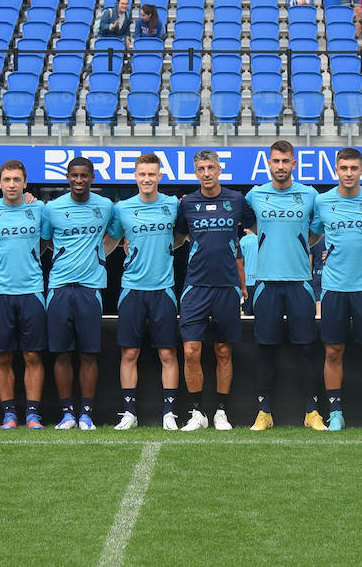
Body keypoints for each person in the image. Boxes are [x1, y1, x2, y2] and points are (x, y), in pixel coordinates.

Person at [307, 148, 362, 431]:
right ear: (336, 170)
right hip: (333, 288)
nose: (349, 173)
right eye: (344, 168)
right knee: (333, 352)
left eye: (354, 168)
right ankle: (336, 413)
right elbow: (314, 233)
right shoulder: (323, 201)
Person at [243, 141, 322, 431]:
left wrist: (298, 247)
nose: (280, 166)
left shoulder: (310, 195)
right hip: (266, 284)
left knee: (306, 350)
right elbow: (246, 223)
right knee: (266, 350)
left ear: (294, 164)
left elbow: (315, 233)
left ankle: (312, 412)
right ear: (269, 164)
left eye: (285, 161)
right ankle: (264, 412)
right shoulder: (255, 195)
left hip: (300, 282)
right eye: (275, 161)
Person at [174, 149, 252, 431]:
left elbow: (254, 232)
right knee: (191, 351)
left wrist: (243, 283)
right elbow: (178, 238)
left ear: (219, 170)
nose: (206, 173)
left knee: (223, 351)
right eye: (201, 169)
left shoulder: (236, 200)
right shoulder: (187, 204)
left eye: (211, 168)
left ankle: (221, 412)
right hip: (195, 287)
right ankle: (197, 413)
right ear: (195, 173)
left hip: (227, 288)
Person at [105, 153, 182, 430]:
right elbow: (111, 240)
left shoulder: (173, 205)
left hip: (163, 289)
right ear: (135, 177)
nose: (147, 179)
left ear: (160, 176)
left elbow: (181, 235)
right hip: (132, 290)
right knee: (129, 354)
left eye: (152, 174)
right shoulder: (122, 208)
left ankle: (169, 413)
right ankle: (129, 413)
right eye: (142, 174)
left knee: (167, 355)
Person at [43, 158, 117, 430]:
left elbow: (115, 234)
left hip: (90, 288)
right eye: (74, 175)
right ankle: (66, 414)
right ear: (67, 176)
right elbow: (47, 239)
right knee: (61, 354)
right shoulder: (52, 208)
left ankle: (86, 414)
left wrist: (98, 257)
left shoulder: (106, 206)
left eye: (84, 176)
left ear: (92, 177)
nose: (78, 180)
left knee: (88, 354)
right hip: (60, 287)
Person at [0, 160, 51, 429]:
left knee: (32, 356)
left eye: (16, 180)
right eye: (7, 180)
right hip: (0, 293)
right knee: (2, 356)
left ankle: (33, 414)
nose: (12, 185)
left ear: (25, 183)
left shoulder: (38, 208)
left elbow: (46, 241)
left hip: (32, 291)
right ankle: (9, 414)